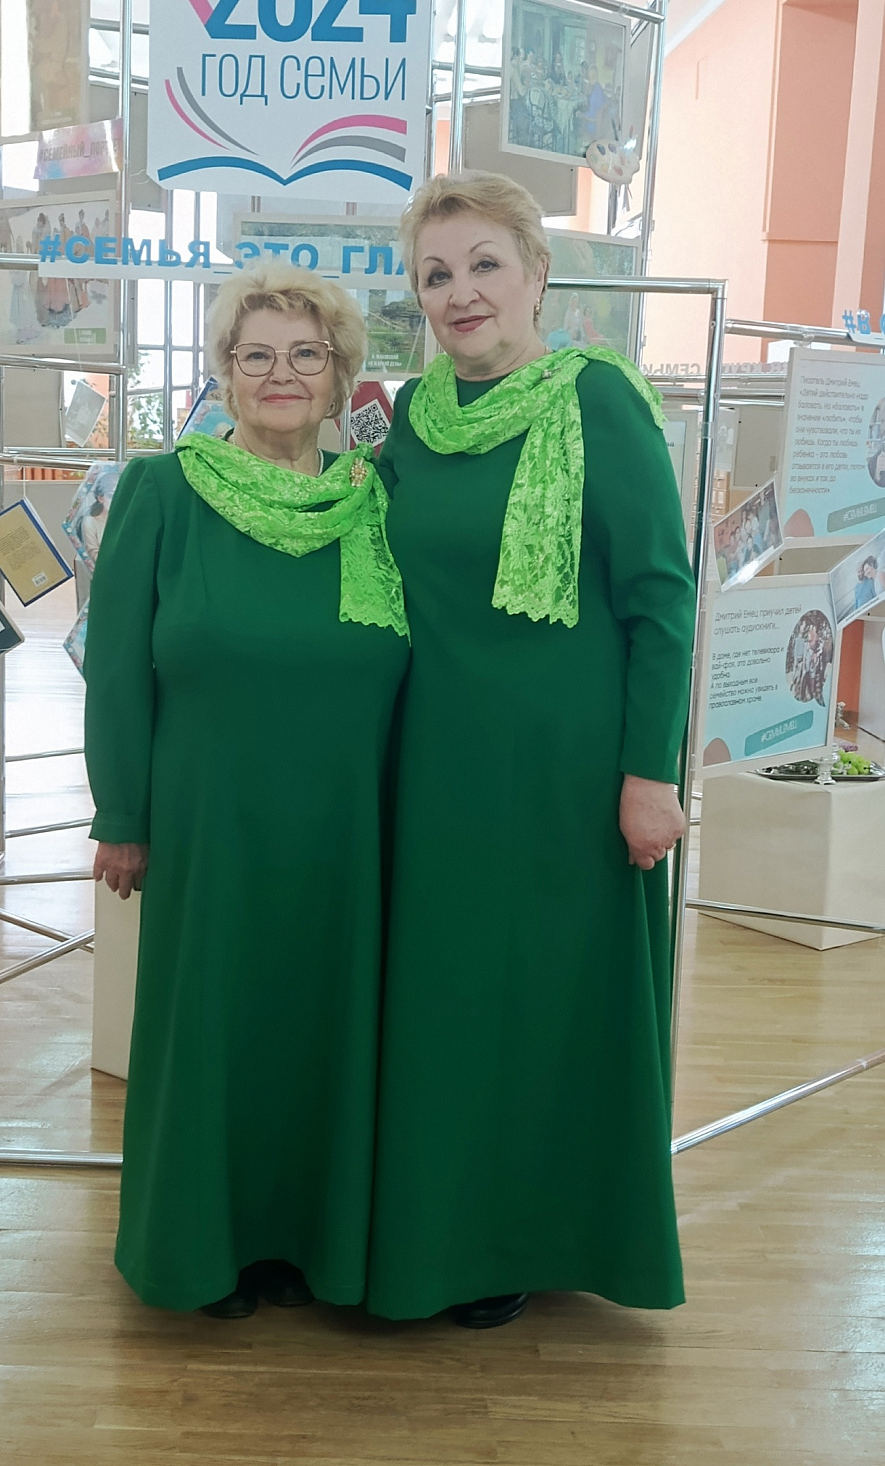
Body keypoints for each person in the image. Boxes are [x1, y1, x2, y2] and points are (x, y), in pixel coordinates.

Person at [366, 171, 696, 1328]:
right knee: (449, 1002)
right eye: (435, 274)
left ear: (536, 274)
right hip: (432, 771)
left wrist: (649, 772)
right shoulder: (411, 419)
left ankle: (523, 1235)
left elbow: (660, 598)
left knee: (541, 1006)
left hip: (565, 781)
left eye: (482, 264)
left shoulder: (598, 400)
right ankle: (438, 1230)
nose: (459, 292)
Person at [83, 263, 409, 1319]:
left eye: (306, 354)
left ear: (339, 375)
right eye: (255, 353)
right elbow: (117, 668)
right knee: (213, 1029)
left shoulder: (374, 500)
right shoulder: (163, 490)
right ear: (223, 369)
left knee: (325, 1031)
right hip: (210, 821)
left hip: (348, 829)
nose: (281, 373)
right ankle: (204, 1249)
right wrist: (121, 815)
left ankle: (318, 1244)